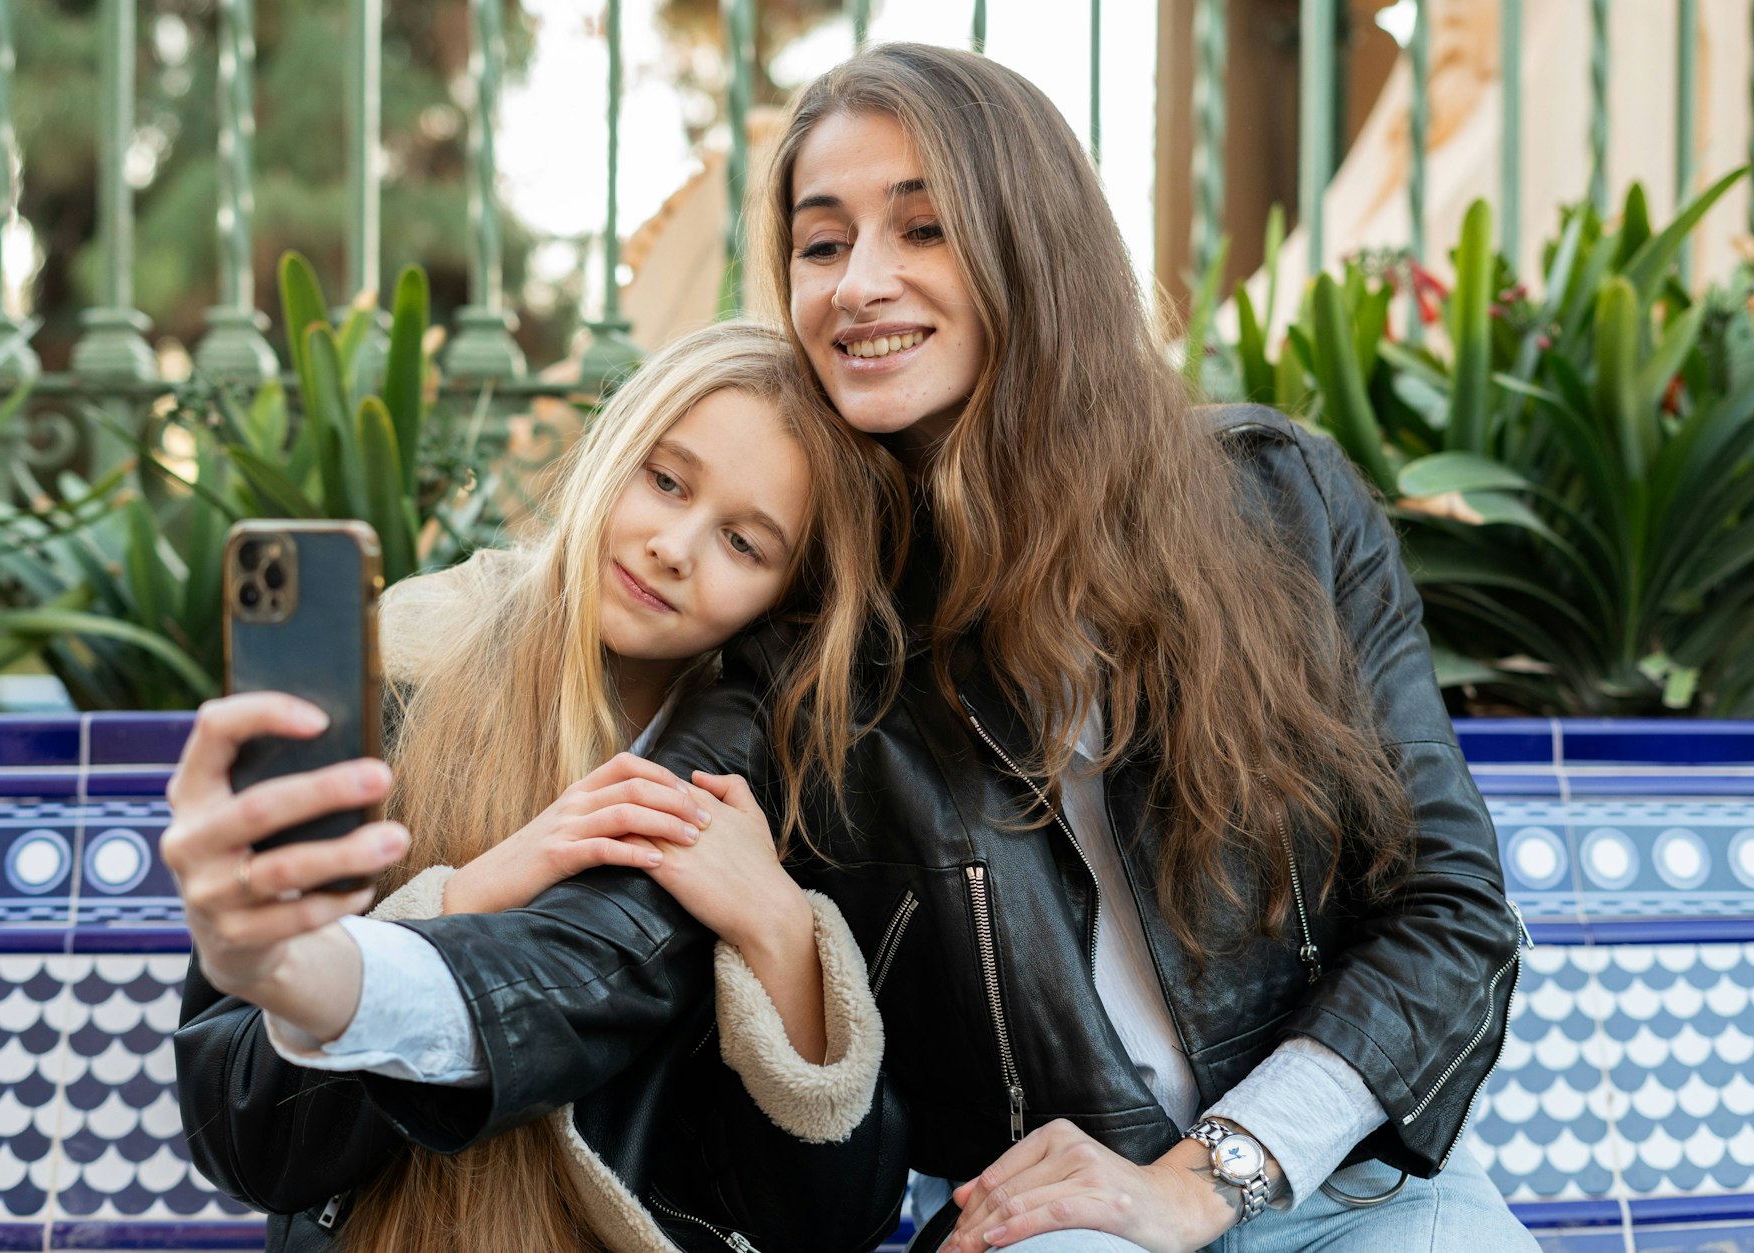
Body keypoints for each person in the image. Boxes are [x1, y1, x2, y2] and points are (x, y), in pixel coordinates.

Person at [180, 41, 1538, 1253]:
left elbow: (1448, 912)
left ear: (1034, 246)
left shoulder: (1281, 501)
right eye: (821, 245)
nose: (859, 283)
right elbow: (610, 936)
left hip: (1350, 1184)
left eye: (923, 228)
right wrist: (306, 972)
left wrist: (1210, 1176)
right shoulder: (822, 635)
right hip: (1055, 1215)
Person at [164, 321, 910, 1252]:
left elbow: (832, 1220)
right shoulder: (407, 669)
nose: (674, 546)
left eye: (745, 543)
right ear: (612, 449)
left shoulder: (783, 781)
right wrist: (479, 887)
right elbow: (244, 1131)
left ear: (788, 593)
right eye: (665, 480)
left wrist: (780, 935)